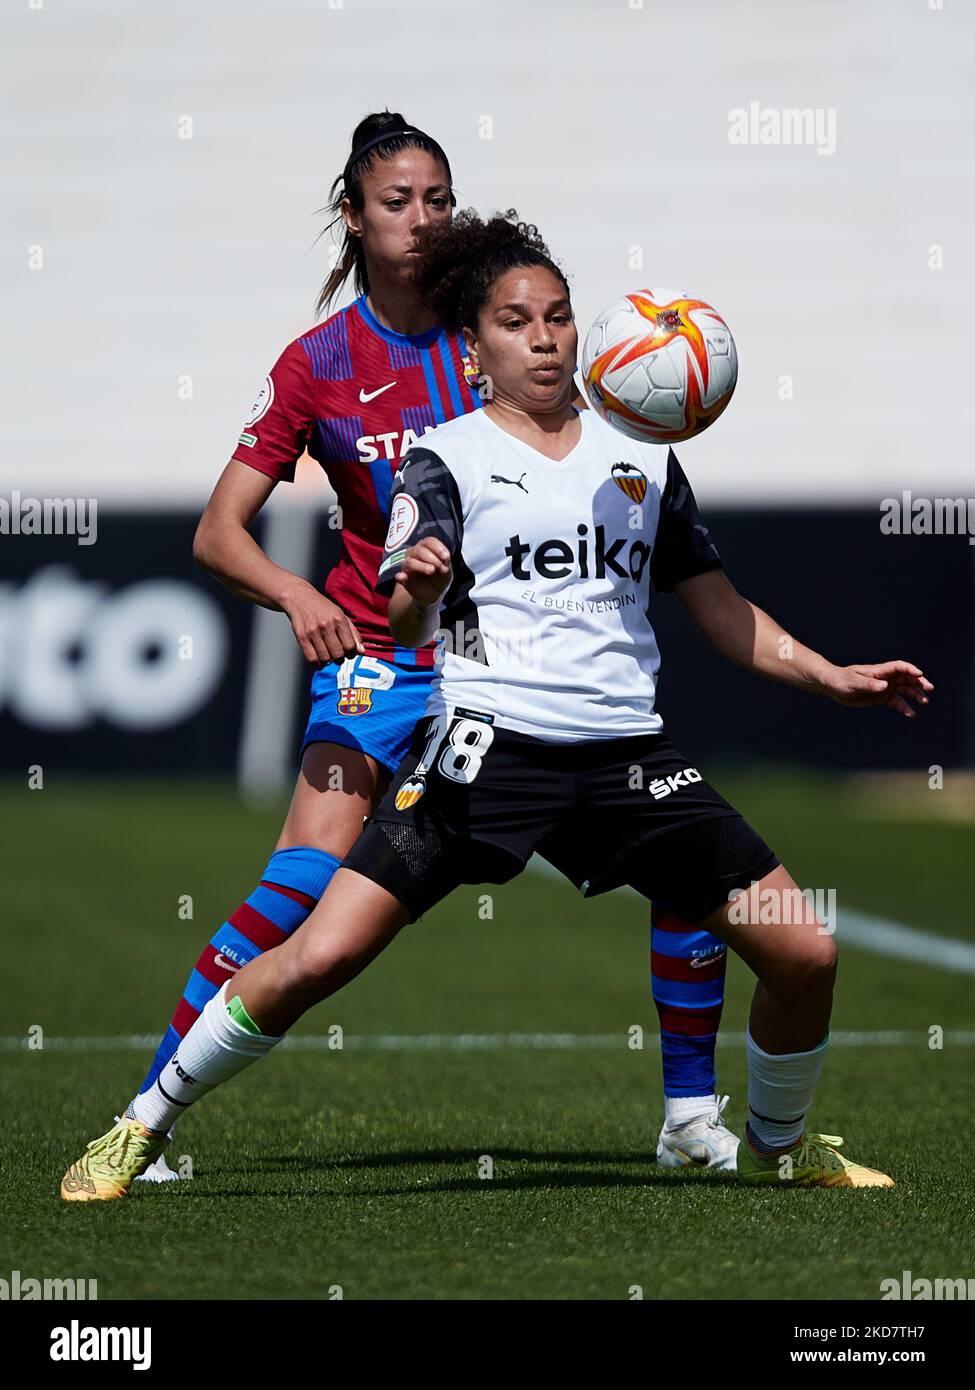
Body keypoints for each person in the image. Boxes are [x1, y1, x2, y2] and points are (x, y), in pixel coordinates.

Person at [61, 212, 932, 1199]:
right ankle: (138, 1125)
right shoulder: (446, 457)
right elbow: (399, 602)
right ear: (474, 348)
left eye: (558, 317)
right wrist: (421, 581)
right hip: (483, 755)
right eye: (518, 322)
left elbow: (724, 614)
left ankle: (777, 1147)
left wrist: (833, 675)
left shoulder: (640, 457)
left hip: (626, 760)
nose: (547, 337)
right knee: (318, 955)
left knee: (805, 950)